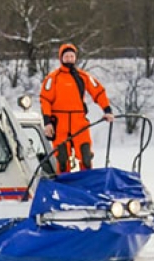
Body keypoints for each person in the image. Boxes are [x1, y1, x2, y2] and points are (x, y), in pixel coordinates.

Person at [39, 43, 115, 173]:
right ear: (61, 58)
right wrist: (47, 122)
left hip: (79, 122)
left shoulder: (84, 77)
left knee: (86, 156)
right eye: (66, 56)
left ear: (75, 58)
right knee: (62, 159)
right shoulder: (53, 78)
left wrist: (107, 110)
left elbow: (98, 92)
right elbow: (45, 99)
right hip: (60, 123)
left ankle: (86, 184)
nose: (69, 59)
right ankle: (64, 186)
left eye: (71, 56)